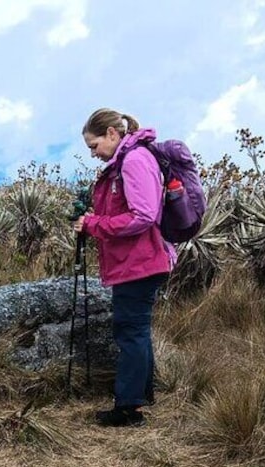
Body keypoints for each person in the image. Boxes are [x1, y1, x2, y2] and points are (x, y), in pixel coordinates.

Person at [73, 108, 175, 427]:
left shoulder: (133, 160)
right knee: (136, 331)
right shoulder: (128, 159)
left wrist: (94, 224)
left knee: (130, 331)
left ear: (112, 135)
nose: (93, 154)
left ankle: (128, 409)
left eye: (94, 146)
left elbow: (142, 215)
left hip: (140, 261)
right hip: (139, 260)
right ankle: (138, 399)